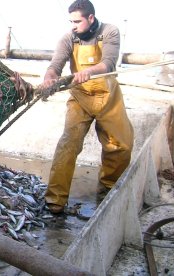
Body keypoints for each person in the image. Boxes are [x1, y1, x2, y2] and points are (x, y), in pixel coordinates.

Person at [41, 0, 134, 214]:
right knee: (68, 144)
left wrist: (89, 71)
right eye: (70, 21)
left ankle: (108, 189)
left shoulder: (110, 31)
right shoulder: (68, 38)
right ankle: (55, 199)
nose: (73, 25)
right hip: (79, 97)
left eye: (77, 21)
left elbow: (109, 63)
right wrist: (49, 78)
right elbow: (55, 66)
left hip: (108, 96)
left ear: (90, 18)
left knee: (121, 146)